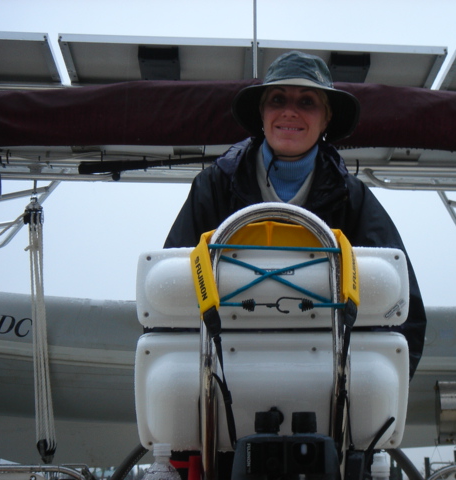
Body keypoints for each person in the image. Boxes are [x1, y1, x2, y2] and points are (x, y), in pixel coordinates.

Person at [164, 50, 426, 379]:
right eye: (277, 99)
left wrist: (376, 389)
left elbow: (401, 307)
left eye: (307, 101)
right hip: (225, 375)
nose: (290, 111)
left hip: (324, 380)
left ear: (327, 118)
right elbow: (167, 295)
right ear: (261, 113)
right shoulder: (213, 186)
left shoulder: (353, 199)